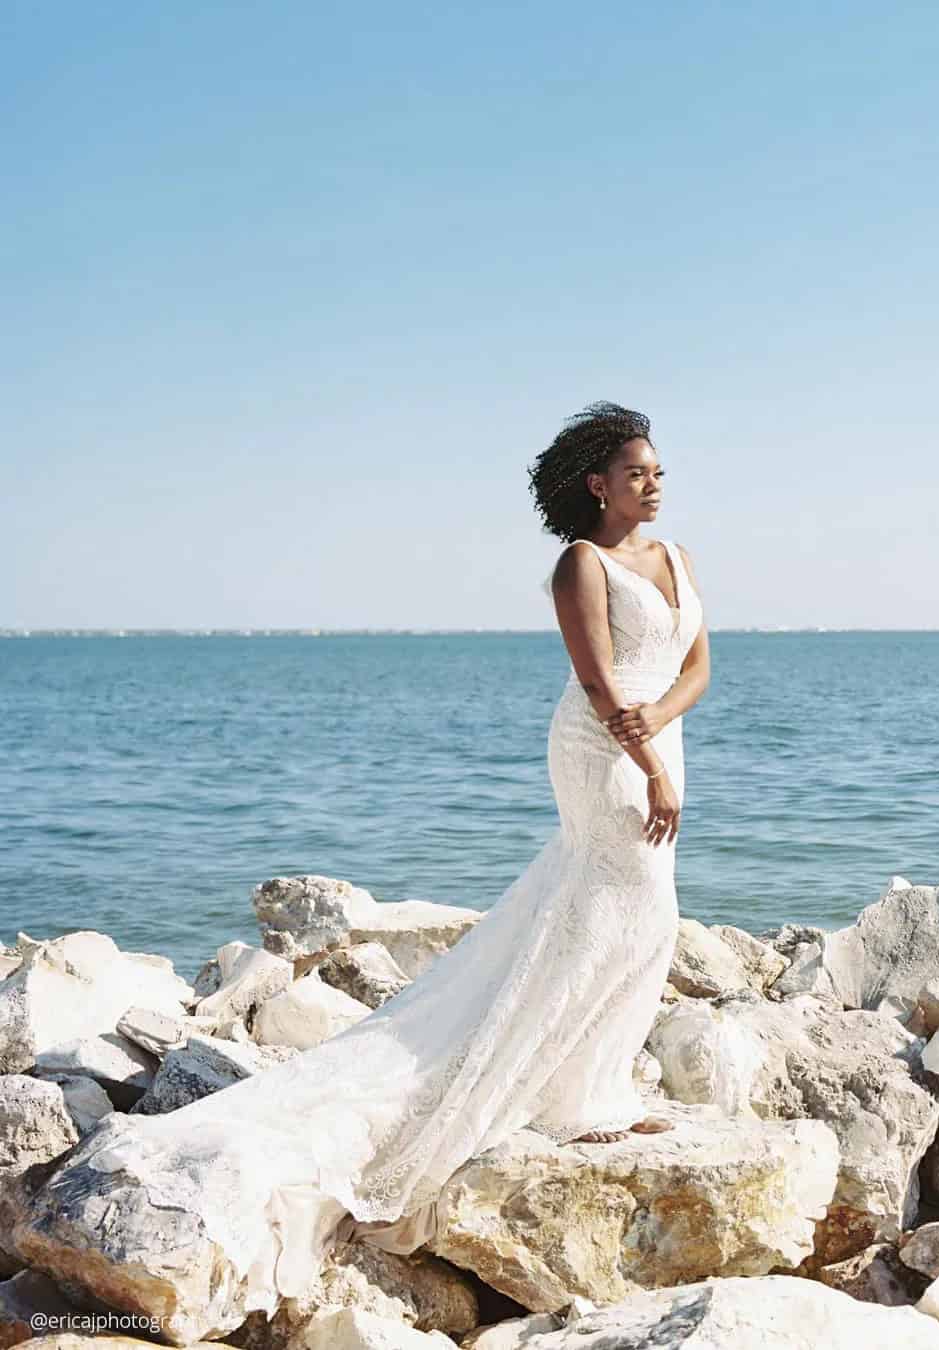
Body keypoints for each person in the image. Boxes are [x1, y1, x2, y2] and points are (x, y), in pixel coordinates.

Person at [42, 400, 709, 1317]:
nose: (656, 483)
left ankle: (587, 1084)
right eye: (639, 471)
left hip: (656, 743)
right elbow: (599, 685)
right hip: (603, 752)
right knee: (619, 905)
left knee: (641, 915)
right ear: (599, 484)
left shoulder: (675, 559)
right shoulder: (579, 563)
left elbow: (700, 664)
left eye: (658, 470)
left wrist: (662, 735)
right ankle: (557, 1089)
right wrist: (642, 759)